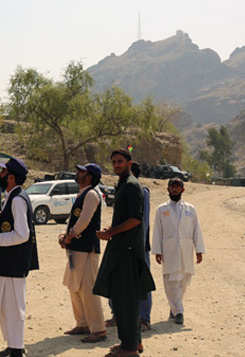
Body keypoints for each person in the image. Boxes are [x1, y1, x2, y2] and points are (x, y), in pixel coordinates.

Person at [93, 149, 155, 357]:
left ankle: (129, 349)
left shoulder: (131, 185)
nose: (116, 165)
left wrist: (110, 233)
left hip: (127, 251)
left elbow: (135, 219)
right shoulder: (122, 184)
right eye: (114, 162)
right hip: (120, 248)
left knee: (126, 300)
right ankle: (133, 342)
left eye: (120, 161)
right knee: (122, 299)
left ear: (129, 163)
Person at [0, 157, 39, 357]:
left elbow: (22, 235)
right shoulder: (12, 197)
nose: (0, 175)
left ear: (12, 177)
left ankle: (17, 347)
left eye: (3, 172)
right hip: (7, 261)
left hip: (13, 262)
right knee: (5, 306)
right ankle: (12, 344)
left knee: (14, 306)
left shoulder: (17, 200)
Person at [60, 163, 106, 343]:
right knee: (74, 287)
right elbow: (73, 219)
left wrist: (71, 236)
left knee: (88, 289)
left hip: (87, 249)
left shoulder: (92, 194)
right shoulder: (82, 194)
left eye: (81, 172)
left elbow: (85, 220)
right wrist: (64, 234)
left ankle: (99, 329)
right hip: (76, 249)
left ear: (89, 177)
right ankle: (83, 323)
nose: (77, 174)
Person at [151, 177, 205, 325]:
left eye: (177, 187)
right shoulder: (161, 210)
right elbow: (157, 231)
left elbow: (196, 230)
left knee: (183, 281)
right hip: (169, 250)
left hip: (186, 250)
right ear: (168, 189)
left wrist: (199, 250)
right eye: (172, 187)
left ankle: (174, 307)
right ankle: (179, 312)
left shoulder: (190, 209)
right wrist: (157, 250)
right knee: (171, 281)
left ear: (182, 189)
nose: (174, 189)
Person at [132, 162, 153, 331]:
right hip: (124, 246)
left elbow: (143, 221)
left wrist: (139, 245)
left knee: (142, 282)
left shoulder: (142, 191)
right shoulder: (122, 189)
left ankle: (144, 318)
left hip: (139, 246)